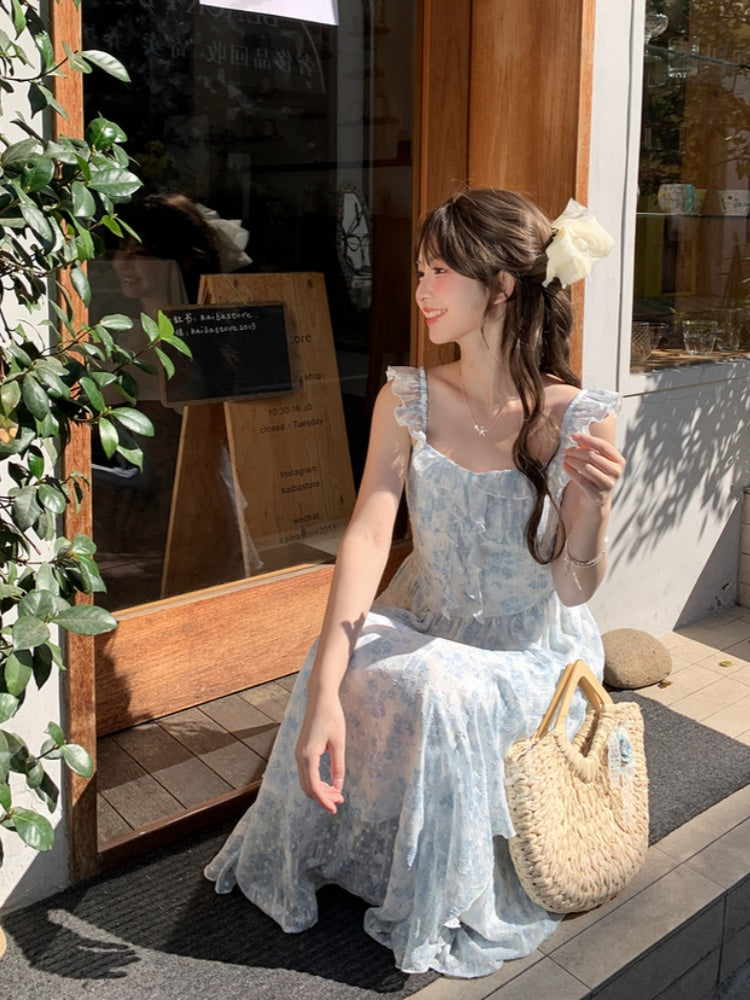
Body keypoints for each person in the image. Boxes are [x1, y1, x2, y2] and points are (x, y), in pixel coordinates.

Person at [205, 188, 624, 978]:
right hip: (434, 625)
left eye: (440, 272)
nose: (422, 289)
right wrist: (325, 687)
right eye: (421, 270)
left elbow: (574, 592)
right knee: (347, 656)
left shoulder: (582, 417)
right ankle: (356, 851)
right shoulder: (412, 399)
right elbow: (368, 534)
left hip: (529, 658)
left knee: (433, 682)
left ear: (500, 288)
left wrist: (595, 511)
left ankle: (434, 874)